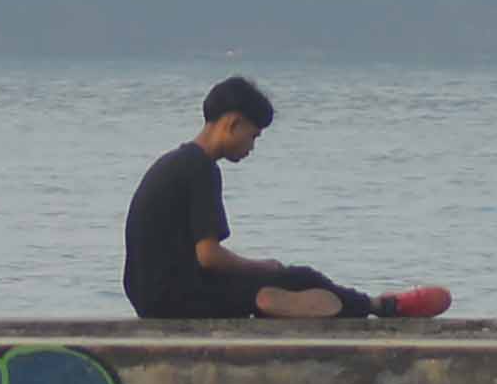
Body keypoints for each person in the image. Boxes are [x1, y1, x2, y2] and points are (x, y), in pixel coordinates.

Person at [122, 75, 449, 323]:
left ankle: (267, 299)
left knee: (277, 282)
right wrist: (260, 267)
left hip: (147, 296)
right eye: (253, 136)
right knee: (298, 278)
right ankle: (380, 306)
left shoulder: (176, 162)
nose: (251, 147)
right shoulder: (201, 169)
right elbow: (208, 256)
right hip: (177, 298)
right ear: (233, 124)